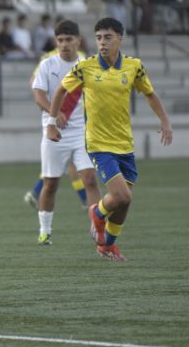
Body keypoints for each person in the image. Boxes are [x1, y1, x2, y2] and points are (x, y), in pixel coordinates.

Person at [47, 17, 173, 262]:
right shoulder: (86, 66)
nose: (102, 42)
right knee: (122, 196)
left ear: (120, 39)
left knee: (124, 203)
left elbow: (150, 94)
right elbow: (62, 90)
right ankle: (96, 211)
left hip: (125, 143)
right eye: (98, 37)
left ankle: (107, 246)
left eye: (107, 37)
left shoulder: (134, 66)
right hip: (98, 144)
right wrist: (51, 123)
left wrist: (165, 121)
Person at [30, 20, 101, 245]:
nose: (64, 44)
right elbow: (38, 94)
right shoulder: (47, 64)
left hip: (81, 132)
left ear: (78, 41)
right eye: (60, 40)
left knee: (90, 179)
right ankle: (45, 231)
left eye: (69, 40)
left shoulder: (88, 64)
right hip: (53, 132)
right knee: (51, 184)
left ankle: (97, 227)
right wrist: (54, 112)